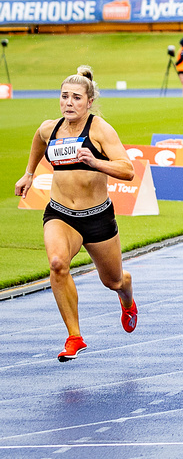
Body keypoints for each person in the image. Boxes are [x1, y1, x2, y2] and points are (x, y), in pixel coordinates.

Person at [14, 66, 138, 362]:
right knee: (57, 264)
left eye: (76, 98)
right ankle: (74, 336)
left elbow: (128, 170)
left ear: (89, 101)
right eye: (64, 97)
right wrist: (29, 174)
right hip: (60, 213)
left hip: (97, 216)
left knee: (113, 281)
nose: (68, 103)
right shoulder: (50, 128)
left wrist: (96, 162)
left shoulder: (100, 130)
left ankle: (127, 295)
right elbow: (38, 140)